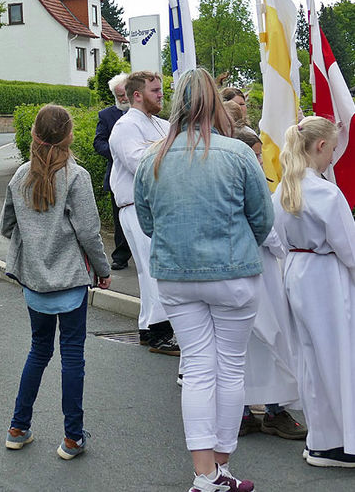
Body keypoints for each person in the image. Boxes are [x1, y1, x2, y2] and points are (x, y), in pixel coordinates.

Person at [134, 68, 273, 492]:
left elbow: (147, 222)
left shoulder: (153, 156)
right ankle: (221, 467)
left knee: (196, 369)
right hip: (233, 273)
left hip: (176, 275)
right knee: (230, 369)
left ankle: (204, 475)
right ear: (214, 103)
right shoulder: (238, 153)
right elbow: (262, 221)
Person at [1, 104, 111, 458]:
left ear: (33, 134)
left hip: (34, 282)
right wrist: (103, 269)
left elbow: (7, 226)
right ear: (69, 136)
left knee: (38, 351)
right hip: (70, 281)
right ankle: (72, 438)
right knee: (73, 356)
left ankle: (18, 427)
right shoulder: (75, 177)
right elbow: (90, 233)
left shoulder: (20, 177)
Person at [271, 116, 355, 468]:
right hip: (326, 276)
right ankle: (338, 442)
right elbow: (349, 247)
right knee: (338, 357)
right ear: (320, 146)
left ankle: (320, 438)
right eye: (333, 148)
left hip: (296, 272)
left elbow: (275, 238)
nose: (334, 156)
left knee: (310, 358)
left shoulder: (283, 190)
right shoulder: (325, 191)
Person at [231, 129, 306, 441]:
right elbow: (265, 227)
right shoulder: (244, 184)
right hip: (256, 267)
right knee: (265, 337)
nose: (262, 159)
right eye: (257, 154)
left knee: (261, 339)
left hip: (246, 269)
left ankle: (252, 411)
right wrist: (282, 250)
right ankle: (264, 411)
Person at [109, 71, 179, 355]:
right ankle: (161, 332)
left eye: (161, 89)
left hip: (156, 206)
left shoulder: (161, 124)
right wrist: (169, 151)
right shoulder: (125, 126)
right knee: (154, 270)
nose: (161, 94)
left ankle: (149, 328)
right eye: (155, 90)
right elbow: (141, 164)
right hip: (138, 207)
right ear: (137, 95)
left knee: (150, 269)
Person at [92, 72, 132, 270]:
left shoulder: (145, 112)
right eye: (118, 96)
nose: (123, 99)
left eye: (124, 94)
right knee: (120, 218)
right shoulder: (107, 115)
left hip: (140, 175)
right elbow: (98, 142)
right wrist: (117, 154)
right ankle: (121, 256)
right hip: (117, 174)